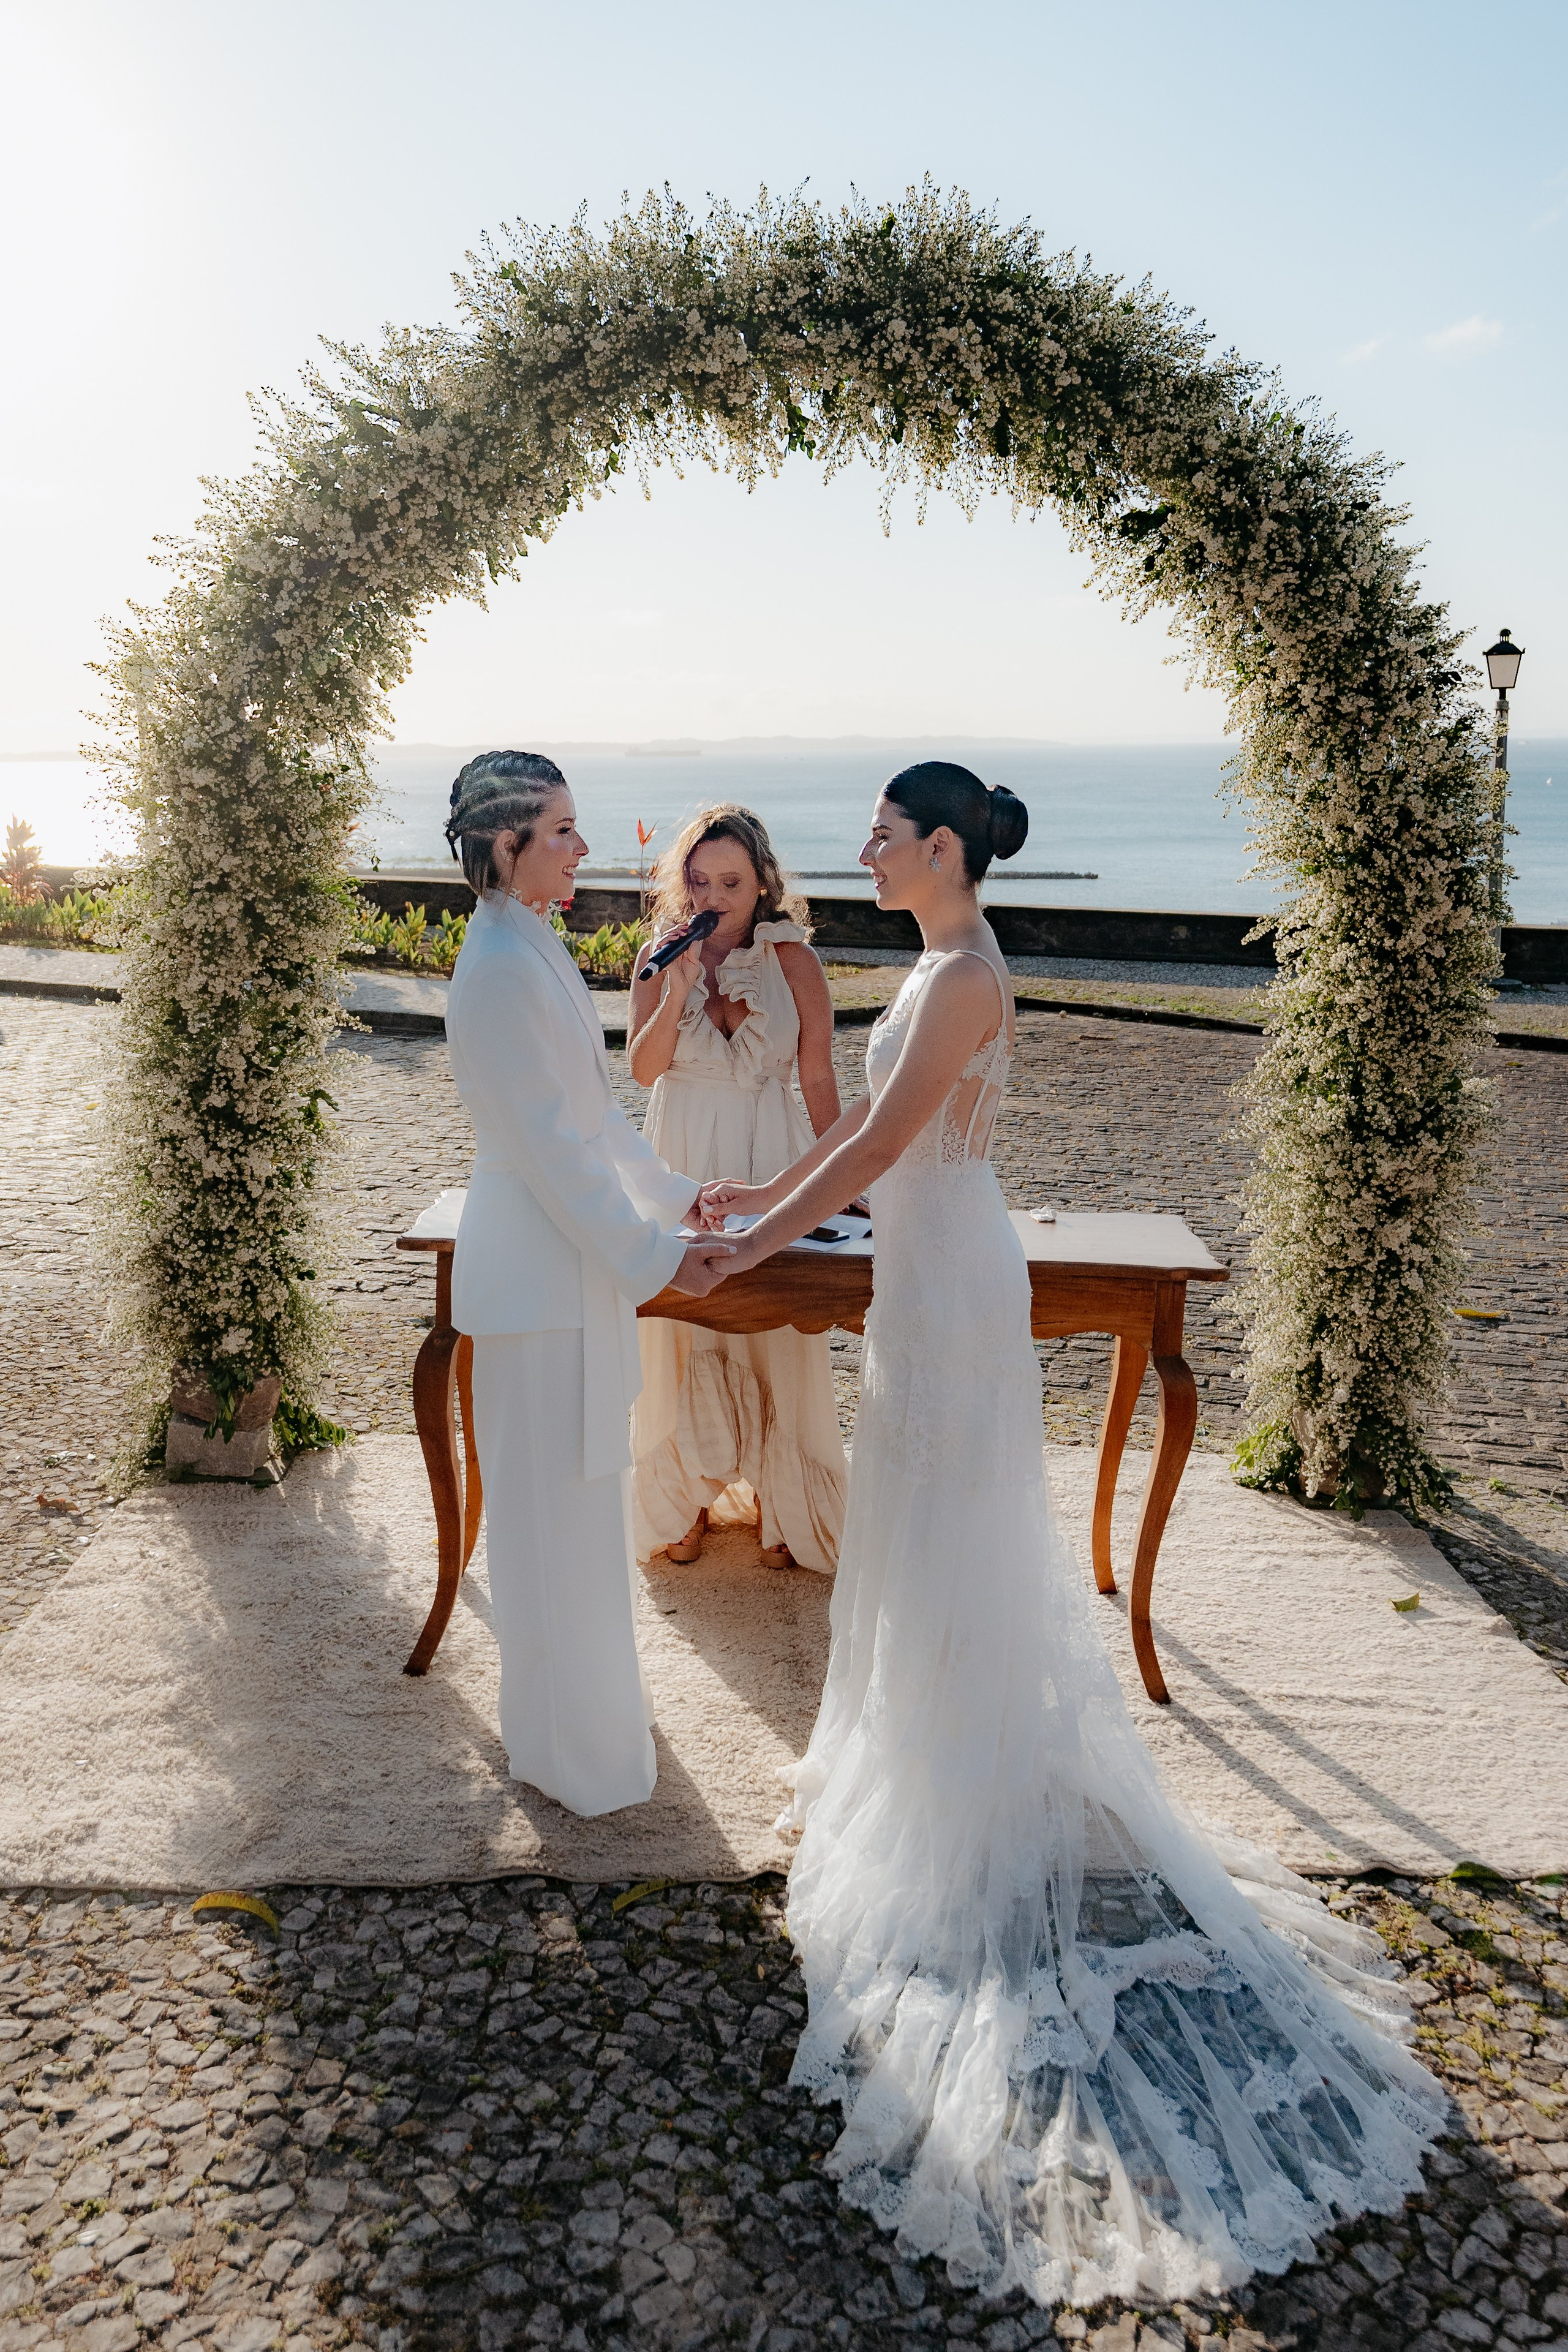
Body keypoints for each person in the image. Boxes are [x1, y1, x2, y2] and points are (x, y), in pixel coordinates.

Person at [698, 761, 1445, 2309]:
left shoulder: (963, 974)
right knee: (913, 1537)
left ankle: (960, 1803)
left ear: (943, 849)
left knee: (954, 1534)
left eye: (886, 834)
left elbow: (874, 1149)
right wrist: (752, 1189)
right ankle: (912, 1755)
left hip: (956, 1280)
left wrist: (751, 1231)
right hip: (922, 1277)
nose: (862, 848)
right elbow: (854, 1154)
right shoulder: (928, 961)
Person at [442, 751, 734, 1819]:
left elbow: (599, 1120)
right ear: (508, 843)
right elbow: (557, 1155)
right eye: (562, 830)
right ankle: (571, 1755)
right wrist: (660, 1262)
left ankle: (590, 1727)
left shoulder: (530, 945)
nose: (582, 847)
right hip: (535, 1279)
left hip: (560, 1269)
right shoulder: (502, 968)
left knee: (579, 1517)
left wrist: (676, 1197)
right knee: (547, 1528)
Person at [627, 804, 848, 1575]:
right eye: (697, 881)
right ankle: (683, 1500)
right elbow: (644, 1071)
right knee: (683, 1326)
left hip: (766, 1152)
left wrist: (839, 1178)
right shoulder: (659, 955)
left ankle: (783, 1503)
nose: (712, 896)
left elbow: (818, 1076)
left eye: (730, 881)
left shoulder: (795, 964)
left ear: (762, 885)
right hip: (680, 1150)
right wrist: (680, 980)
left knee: (777, 1328)